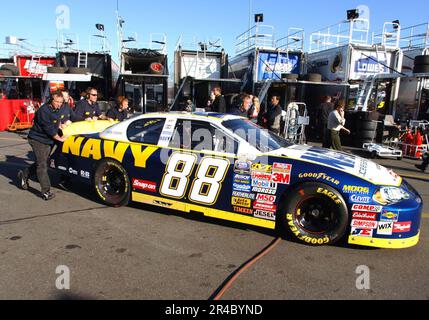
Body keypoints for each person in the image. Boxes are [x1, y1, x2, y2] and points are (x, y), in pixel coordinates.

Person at [17, 91, 69, 200]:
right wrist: (60, 138)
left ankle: (24, 175)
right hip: (37, 139)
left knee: (41, 162)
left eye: (61, 102)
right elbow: (49, 129)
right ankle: (46, 191)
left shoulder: (58, 109)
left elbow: (55, 122)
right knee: (43, 165)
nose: (59, 104)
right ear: (51, 100)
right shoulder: (43, 111)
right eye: (57, 102)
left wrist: (61, 126)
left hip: (48, 140)